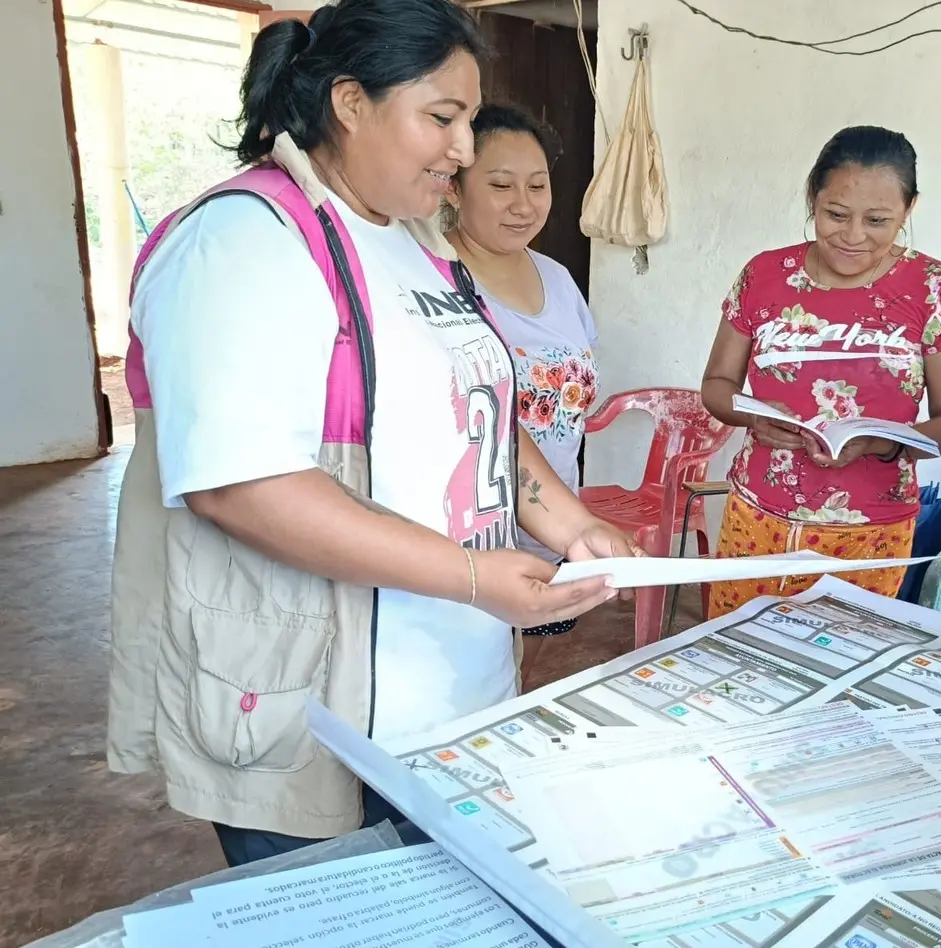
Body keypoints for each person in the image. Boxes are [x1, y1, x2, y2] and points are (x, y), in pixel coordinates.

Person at [105, 0, 637, 867]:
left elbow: (486, 410)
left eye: (468, 118)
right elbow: (240, 486)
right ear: (351, 103)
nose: (464, 150)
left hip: (456, 682)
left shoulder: (420, 240)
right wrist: (470, 575)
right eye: (442, 118)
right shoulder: (243, 240)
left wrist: (571, 525)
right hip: (315, 704)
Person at [700, 125, 941, 614]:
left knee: (840, 675)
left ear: (909, 210)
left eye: (877, 220)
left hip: (870, 532)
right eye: (835, 214)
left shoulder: (934, 288)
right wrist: (753, 416)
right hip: (758, 517)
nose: (853, 237)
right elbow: (716, 387)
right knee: (739, 660)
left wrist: (880, 442)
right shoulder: (764, 275)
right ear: (813, 197)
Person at [442, 103, 600, 679]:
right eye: (500, 184)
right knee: (464, 677)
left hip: (550, 529)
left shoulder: (556, 279)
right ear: (454, 189)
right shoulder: (436, 278)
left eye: (538, 185)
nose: (523, 203)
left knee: (520, 677)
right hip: (465, 541)